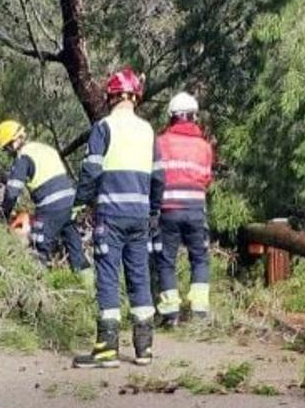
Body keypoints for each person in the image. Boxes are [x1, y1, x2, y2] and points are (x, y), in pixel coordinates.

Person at [72, 68, 156, 368]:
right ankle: (144, 349)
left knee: (107, 276)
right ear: (136, 97)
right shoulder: (147, 131)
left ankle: (107, 349)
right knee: (139, 277)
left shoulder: (104, 127)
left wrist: (80, 202)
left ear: (110, 96)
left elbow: (92, 169)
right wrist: (153, 210)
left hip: (111, 214)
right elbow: (157, 176)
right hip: (140, 216)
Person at [0, 120, 91, 279]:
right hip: (70, 203)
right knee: (74, 246)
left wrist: (2, 214)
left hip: (52, 206)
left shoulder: (23, 158)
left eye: (6, 148)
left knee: (39, 248)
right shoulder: (44, 148)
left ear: (13, 142)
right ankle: (87, 289)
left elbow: (12, 192)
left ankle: (39, 293)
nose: (7, 152)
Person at [151, 91, 214, 326]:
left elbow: (154, 176)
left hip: (168, 210)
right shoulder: (204, 147)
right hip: (196, 209)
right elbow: (206, 178)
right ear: (194, 117)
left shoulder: (159, 142)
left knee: (166, 260)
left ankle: (170, 313)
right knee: (199, 258)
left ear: (171, 117)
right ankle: (199, 311)